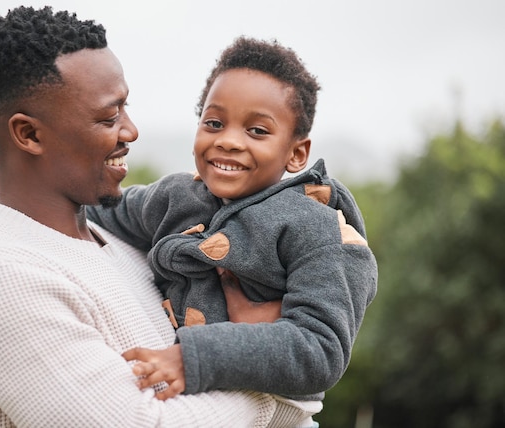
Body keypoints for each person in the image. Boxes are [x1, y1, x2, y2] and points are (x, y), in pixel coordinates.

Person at [0, 6, 317, 427]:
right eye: (108, 117)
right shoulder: (0, 280)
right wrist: (269, 383)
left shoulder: (128, 244)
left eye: (126, 108)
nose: (130, 130)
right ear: (29, 134)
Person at [85, 37, 378, 409]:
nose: (228, 141)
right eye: (214, 122)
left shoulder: (316, 229)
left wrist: (192, 358)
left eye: (257, 131)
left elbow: (320, 351)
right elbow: (100, 209)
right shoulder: (175, 196)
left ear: (296, 153)